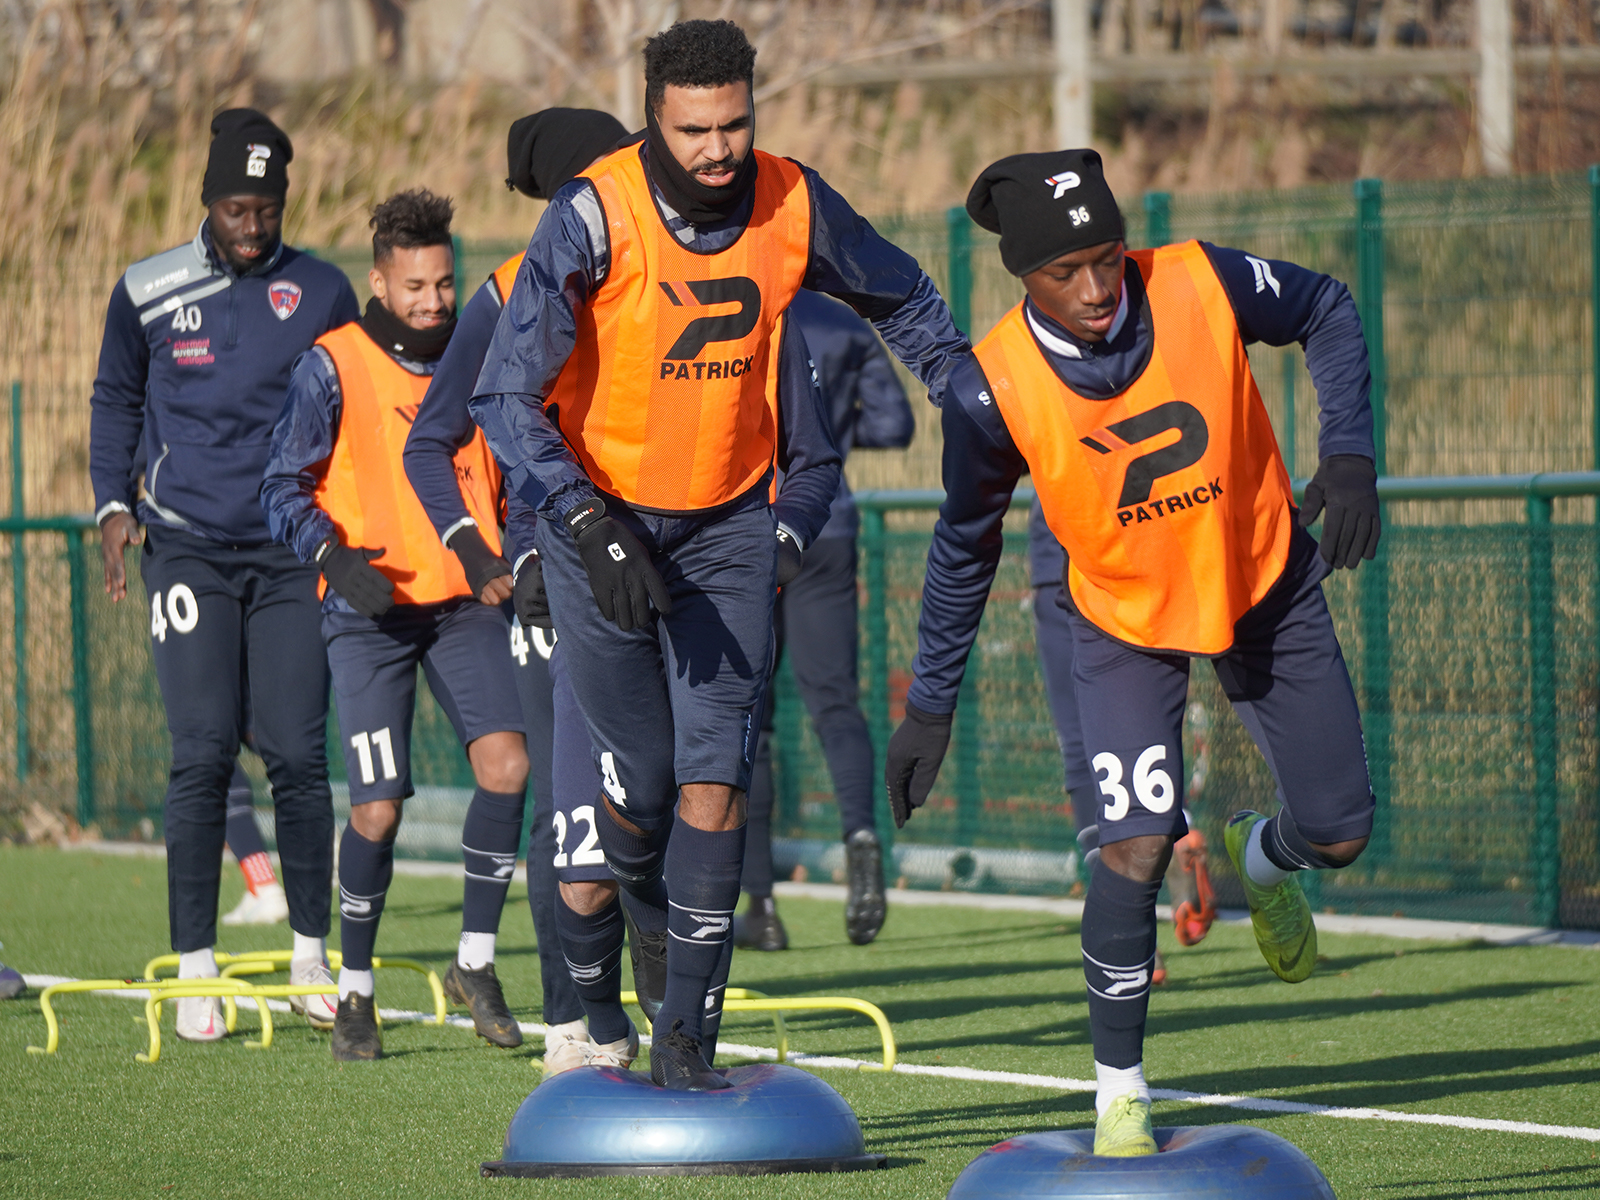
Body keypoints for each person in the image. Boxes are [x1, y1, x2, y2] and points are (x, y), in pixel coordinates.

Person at [470, 19, 967, 1090]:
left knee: (715, 779)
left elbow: (903, 295)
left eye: (733, 125)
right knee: (644, 788)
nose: (716, 150)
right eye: (693, 130)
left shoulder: (793, 199)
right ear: (655, 117)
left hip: (731, 529)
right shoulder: (591, 214)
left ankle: (689, 1037)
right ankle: (638, 924)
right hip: (601, 530)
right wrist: (582, 519)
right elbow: (503, 396)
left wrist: (961, 384)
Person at [887, 149, 1378, 1155]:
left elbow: (1326, 306)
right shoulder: (988, 391)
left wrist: (1350, 455)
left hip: (1263, 580)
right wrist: (930, 704)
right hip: (1123, 621)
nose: (1096, 286)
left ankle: (1261, 857)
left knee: (1340, 833)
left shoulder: (1200, 279)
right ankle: (1120, 1094)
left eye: (1108, 258)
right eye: (1065, 271)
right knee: (1136, 845)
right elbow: (963, 547)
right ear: (1022, 277)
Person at [89, 108, 358, 1042]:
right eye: (237, 208)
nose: (252, 225)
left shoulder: (322, 290)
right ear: (207, 200)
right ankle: (197, 969)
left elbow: (354, 409)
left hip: (288, 554)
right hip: (186, 547)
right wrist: (112, 505)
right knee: (202, 751)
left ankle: (310, 957)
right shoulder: (147, 288)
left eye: (267, 209)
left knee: (297, 754)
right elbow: (116, 396)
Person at [262, 190, 531, 1062]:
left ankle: (474, 964)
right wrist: (333, 557)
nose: (434, 301)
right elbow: (280, 486)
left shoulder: (480, 355)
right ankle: (356, 990)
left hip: (462, 606)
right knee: (376, 810)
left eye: (444, 283)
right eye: (415, 286)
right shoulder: (331, 365)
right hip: (367, 615)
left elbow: (511, 472)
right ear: (379, 282)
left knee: (509, 767)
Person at [403, 107, 633, 1074]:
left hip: (663, 564)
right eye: (609, 171)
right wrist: (487, 553)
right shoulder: (506, 292)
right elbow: (429, 443)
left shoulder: (670, 269)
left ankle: (666, 1017)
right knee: (568, 811)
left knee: (663, 796)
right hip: (555, 577)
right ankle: (570, 1022)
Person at [735, 288, 913, 952]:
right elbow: (895, 425)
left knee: (750, 716)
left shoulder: (734, 308)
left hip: (747, 528)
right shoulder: (843, 321)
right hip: (827, 521)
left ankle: (761, 905)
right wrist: (829, 430)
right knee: (836, 703)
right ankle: (862, 838)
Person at [1028, 501, 1215, 980]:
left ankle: (1126, 931)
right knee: (1147, 733)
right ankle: (1178, 829)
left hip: (1066, 553)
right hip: (1147, 547)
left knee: (1082, 749)